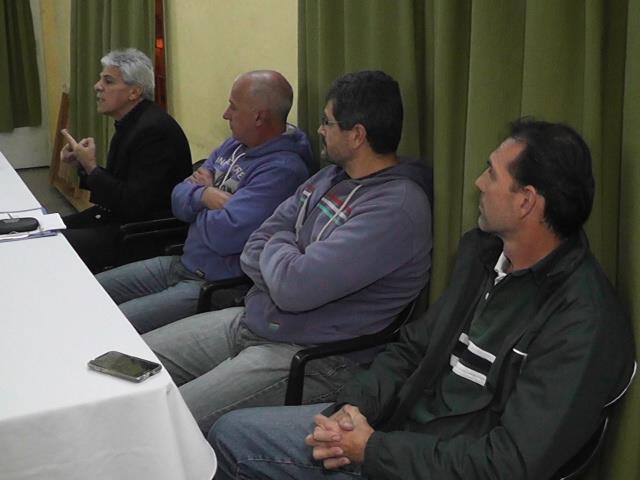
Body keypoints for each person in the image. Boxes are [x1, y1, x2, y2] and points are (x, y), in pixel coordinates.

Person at [209, 118, 636, 480]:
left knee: (231, 442)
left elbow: (511, 463)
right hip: (394, 437)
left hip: (424, 463)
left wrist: (373, 451)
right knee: (229, 432)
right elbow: (413, 347)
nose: (478, 183)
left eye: (491, 174)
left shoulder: (582, 321)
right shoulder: (483, 255)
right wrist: (353, 409)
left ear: (526, 201)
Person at [143, 70, 432, 434]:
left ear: (357, 135)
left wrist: (284, 252)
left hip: (308, 355)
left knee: (163, 421)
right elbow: (254, 246)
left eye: (327, 122)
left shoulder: (395, 209)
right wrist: (289, 258)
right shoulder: (328, 177)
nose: (320, 130)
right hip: (254, 320)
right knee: (135, 359)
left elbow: (294, 287)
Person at [96, 70, 314, 333]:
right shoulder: (233, 146)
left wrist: (197, 198)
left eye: (233, 107)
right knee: (89, 290)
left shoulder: (282, 171)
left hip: (211, 283)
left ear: (259, 117)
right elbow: (176, 197)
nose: (225, 114)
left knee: (108, 324)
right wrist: (204, 195)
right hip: (182, 262)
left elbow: (224, 236)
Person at [60, 48, 192, 273]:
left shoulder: (154, 131)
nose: (97, 86)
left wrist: (91, 167)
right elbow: (120, 186)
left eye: (108, 81)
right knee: (45, 230)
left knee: (53, 245)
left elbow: (132, 204)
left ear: (134, 92)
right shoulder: (133, 121)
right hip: (121, 219)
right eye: (101, 80)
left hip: (142, 233)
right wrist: (83, 164)